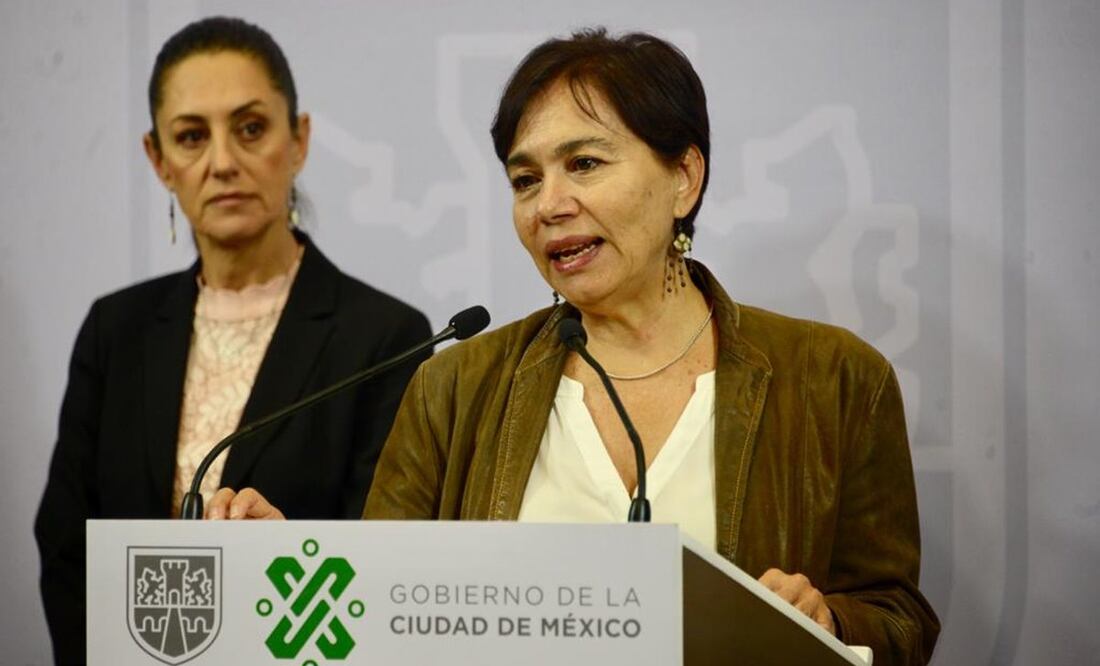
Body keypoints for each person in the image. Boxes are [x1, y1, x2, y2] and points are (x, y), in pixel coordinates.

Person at [211, 28, 940, 664]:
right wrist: (291, 567)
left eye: (584, 163)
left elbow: (900, 619)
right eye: (525, 179)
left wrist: (828, 621)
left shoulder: (836, 379)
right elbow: (386, 608)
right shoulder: (454, 387)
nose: (549, 206)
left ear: (684, 178)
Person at [34, 16, 431, 664]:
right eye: (192, 137)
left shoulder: (386, 337)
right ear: (158, 160)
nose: (222, 163)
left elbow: (386, 567)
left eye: (250, 129)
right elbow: (65, 546)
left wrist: (288, 552)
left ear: (298, 140)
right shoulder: (115, 330)